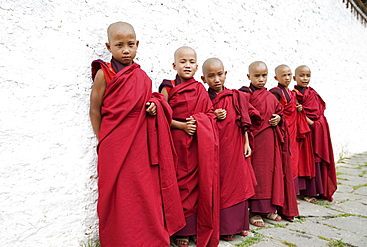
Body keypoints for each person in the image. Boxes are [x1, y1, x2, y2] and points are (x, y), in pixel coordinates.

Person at [89, 22, 185, 247]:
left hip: (139, 143)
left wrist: (153, 106)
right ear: (109, 46)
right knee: (116, 192)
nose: (125, 50)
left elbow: (147, 101)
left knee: (142, 189)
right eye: (119, 45)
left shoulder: (141, 76)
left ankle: (146, 238)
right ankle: (118, 239)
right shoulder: (105, 73)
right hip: (114, 141)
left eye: (130, 45)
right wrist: (102, 139)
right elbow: (95, 109)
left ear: (137, 45)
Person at [159, 47, 220, 247]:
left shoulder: (200, 89)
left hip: (197, 145)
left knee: (197, 185)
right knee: (177, 184)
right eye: (183, 61)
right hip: (175, 143)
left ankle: (193, 228)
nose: (187, 65)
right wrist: (182, 125)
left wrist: (203, 120)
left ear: (196, 65)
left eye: (191, 61)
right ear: (174, 65)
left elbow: (209, 114)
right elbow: (161, 116)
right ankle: (179, 231)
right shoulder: (167, 87)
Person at [201, 58, 258, 241]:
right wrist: (212, 115)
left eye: (219, 74)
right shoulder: (204, 97)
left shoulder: (236, 96)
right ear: (204, 78)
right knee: (222, 186)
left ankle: (240, 224)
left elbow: (244, 122)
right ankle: (225, 228)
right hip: (216, 148)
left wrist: (246, 142)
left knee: (238, 184)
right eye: (211, 76)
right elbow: (199, 117)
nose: (216, 79)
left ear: (225, 74)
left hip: (235, 145)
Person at [239, 61, 298, 227]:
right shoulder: (244, 94)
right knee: (257, 174)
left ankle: (270, 208)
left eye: (264, 75)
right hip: (254, 141)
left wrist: (279, 119)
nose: (261, 79)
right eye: (256, 76)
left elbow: (280, 113)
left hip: (271, 142)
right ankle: (255, 211)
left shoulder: (270, 96)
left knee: (272, 174)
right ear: (249, 76)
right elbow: (242, 116)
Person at [269, 65, 315, 198]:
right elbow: (274, 111)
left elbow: (291, 109)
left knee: (293, 160)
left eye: (289, 75)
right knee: (284, 161)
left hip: (292, 132)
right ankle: (284, 193)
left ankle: (292, 193)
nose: (287, 78)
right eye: (283, 75)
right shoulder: (275, 93)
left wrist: (298, 109)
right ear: (276, 77)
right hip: (283, 131)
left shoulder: (291, 93)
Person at [293, 65, 337, 202]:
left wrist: (317, 125)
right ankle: (306, 192)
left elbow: (320, 112)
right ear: (295, 77)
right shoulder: (294, 95)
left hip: (316, 131)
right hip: (303, 133)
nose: (305, 78)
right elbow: (294, 113)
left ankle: (318, 190)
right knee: (305, 160)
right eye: (302, 75)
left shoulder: (313, 93)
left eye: (308, 75)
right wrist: (308, 121)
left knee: (317, 161)